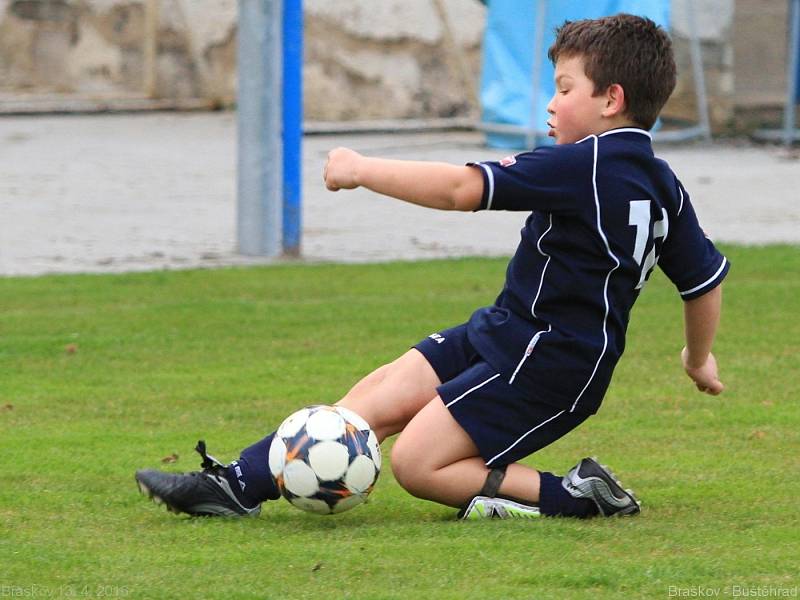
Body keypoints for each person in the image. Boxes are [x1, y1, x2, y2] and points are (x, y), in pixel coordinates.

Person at [135, 13, 728, 520]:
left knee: (418, 464)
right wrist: (697, 358)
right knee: (380, 392)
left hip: (551, 364)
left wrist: (363, 168)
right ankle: (235, 485)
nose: (551, 103)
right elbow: (702, 281)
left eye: (564, 89)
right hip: (508, 330)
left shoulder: (585, 163)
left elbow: (459, 189)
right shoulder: (661, 181)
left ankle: (578, 496)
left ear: (611, 99)